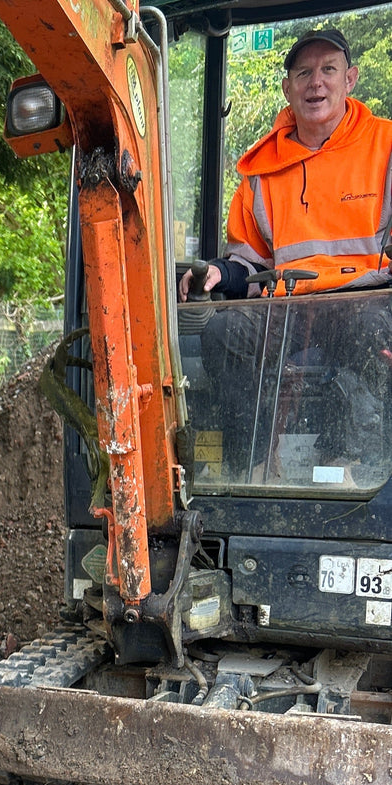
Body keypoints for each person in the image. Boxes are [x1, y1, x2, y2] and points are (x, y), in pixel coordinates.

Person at [177, 29, 392, 482]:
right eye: (304, 73)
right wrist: (218, 273)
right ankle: (253, 464)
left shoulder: (385, 147)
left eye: (328, 70)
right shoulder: (263, 167)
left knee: (370, 329)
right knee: (226, 332)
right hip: (287, 304)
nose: (317, 83)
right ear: (288, 88)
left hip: (364, 298)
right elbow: (249, 259)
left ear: (350, 79)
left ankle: (352, 465)